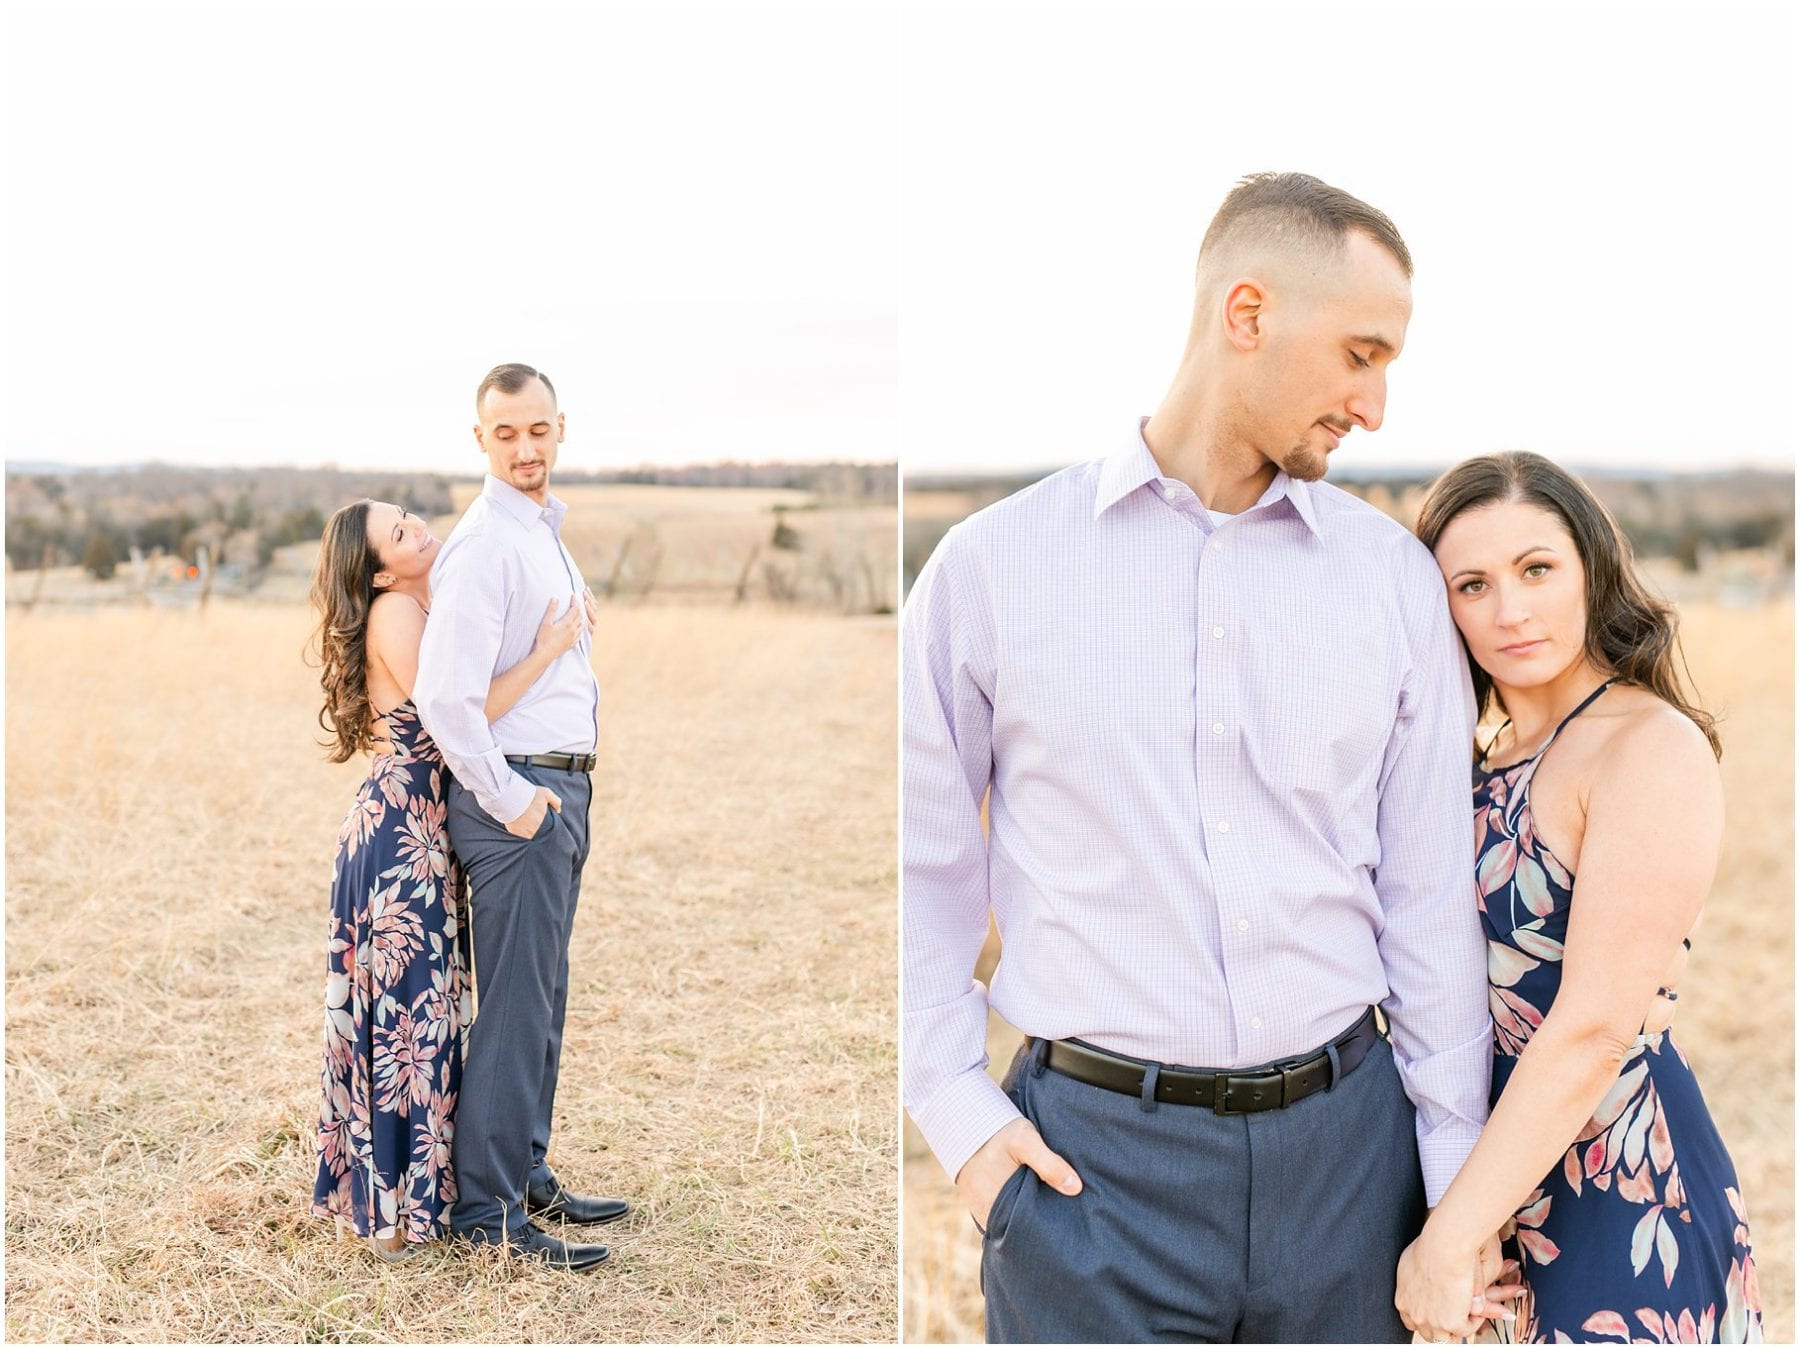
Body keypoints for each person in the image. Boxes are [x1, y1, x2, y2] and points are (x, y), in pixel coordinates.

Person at [902, 172, 1513, 1341]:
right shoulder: (992, 570)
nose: (1376, 405)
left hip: (1350, 1161)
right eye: (1360, 353)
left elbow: (1428, 900)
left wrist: (1451, 1186)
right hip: (1091, 1175)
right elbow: (920, 877)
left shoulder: (1391, 582)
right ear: (1247, 313)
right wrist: (962, 1120)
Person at [1395, 452, 1763, 1343]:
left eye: (1536, 569)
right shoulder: (1472, 758)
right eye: (1472, 584)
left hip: (1618, 1184)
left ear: (1590, 567)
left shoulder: (1646, 745)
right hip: (1475, 1169)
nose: (1509, 610)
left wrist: (1446, 1241)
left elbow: (1596, 1028)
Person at [308, 497, 593, 1261]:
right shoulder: (398, 614)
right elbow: (458, 713)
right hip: (399, 836)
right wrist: (546, 648)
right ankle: (398, 1214)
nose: (419, 530)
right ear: (378, 570)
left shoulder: (421, 602)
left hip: (420, 829)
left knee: (422, 1018)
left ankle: (417, 1197)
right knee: (409, 1023)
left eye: (409, 516)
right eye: (399, 535)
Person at [413, 362, 626, 1272]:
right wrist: (515, 801)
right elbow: (445, 701)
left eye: (537, 430)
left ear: (560, 427)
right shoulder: (485, 544)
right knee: (510, 1003)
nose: (525, 447)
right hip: (518, 801)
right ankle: (488, 1207)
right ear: (480, 439)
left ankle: (525, 1168)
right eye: (506, 434)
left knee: (542, 994)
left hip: (558, 787)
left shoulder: (542, 533)